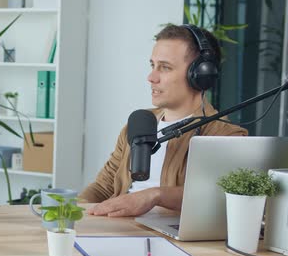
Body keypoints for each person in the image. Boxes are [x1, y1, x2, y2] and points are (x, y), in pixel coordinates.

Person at [80, 24, 247, 217]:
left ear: (200, 75)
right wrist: (73, 210)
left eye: (165, 67)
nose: (151, 77)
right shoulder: (139, 123)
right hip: (120, 229)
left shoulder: (224, 136)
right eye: (153, 65)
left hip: (171, 241)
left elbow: (218, 196)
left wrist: (155, 196)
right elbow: (103, 187)